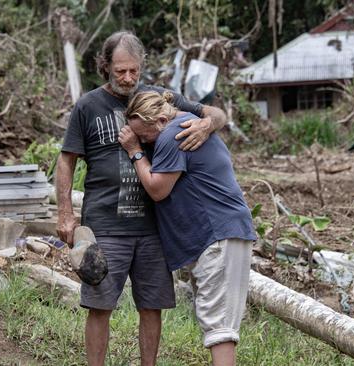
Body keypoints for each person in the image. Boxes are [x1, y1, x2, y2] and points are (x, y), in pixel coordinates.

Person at [55, 31, 227, 366]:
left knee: (152, 305)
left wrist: (206, 126)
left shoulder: (159, 99)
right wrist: (65, 213)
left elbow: (216, 114)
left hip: (154, 226)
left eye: (133, 70)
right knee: (100, 304)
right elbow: (66, 160)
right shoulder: (88, 106)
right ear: (105, 66)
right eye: (120, 71)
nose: (128, 78)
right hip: (105, 224)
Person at [118, 91, 256, 366]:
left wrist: (134, 151)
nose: (144, 143)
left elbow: (157, 189)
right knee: (218, 321)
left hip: (217, 235)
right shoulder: (189, 122)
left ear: (159, 120)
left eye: (144, 136)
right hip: (224, 233)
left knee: (219, 327)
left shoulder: (172, 134)